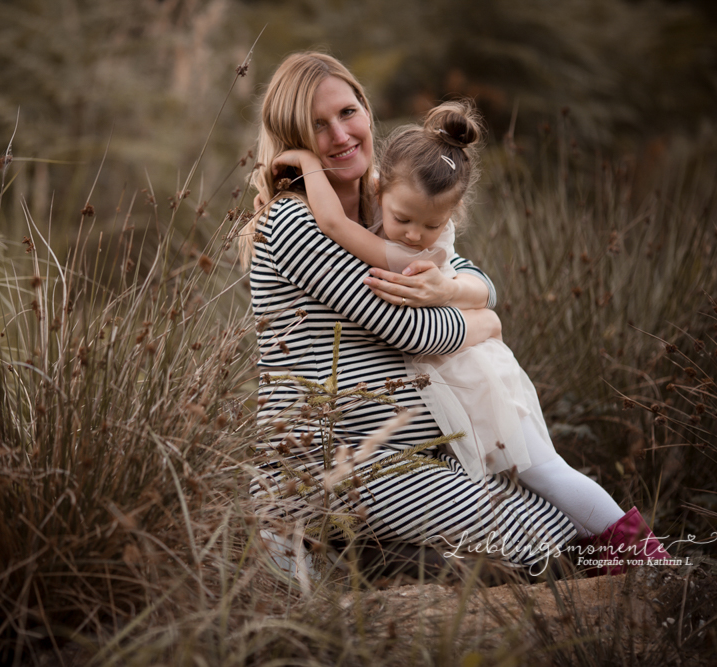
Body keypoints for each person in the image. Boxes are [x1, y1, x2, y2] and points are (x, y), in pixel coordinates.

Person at [267, 100, 673, 568]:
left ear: (454, 213)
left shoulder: (414, 254)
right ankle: (614, 556)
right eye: (404, 220)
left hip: (480, 386)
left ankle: (648, 558)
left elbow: (337, 227)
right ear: (380, 187)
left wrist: (305, 164)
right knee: (528, 484)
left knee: (546, 473)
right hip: (450, 396)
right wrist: (292, 186)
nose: (416, 235)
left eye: (433, 225)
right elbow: (338, 221)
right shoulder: (380, 205)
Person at [243, 52, 578, 576]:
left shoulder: (389, 203)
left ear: (367, 112)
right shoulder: (293, 219)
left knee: (558, 522)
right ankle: (356, 553)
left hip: (413, 459)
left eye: (348, 112)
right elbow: (415, 329)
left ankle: (386, 558)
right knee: (550, 546)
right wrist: (485, 325)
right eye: (317, 125)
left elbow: (477, 282)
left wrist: (470, 298)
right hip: (338, 466)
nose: (340, 134)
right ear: (293, 139)